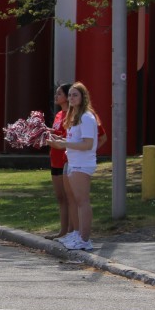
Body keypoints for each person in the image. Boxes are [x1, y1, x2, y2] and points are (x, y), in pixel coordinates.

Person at [48, 81, 100, 251]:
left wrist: (64, 144)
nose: (71, 98)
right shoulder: (75, 116)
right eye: (69, 95)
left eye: (75, 95)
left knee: (82, 201)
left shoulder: (86, 117)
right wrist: (60, 140)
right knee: (76, 201)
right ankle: (78, 234)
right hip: (73, 162)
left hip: (82, 164)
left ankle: (84, 239)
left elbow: (87, 144)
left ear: (83, 97)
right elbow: (74, 140)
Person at [47, 83, 73, 239]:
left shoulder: (72, 115)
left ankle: (71, 231)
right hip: (54, 158)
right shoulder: (58, 115)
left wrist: (56, 138)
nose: (56, 96)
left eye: (59, 94)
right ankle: (63, 231)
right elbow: (57, 133)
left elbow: (69, 138)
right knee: (60, 197)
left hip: (65, 158)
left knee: (69, 197)